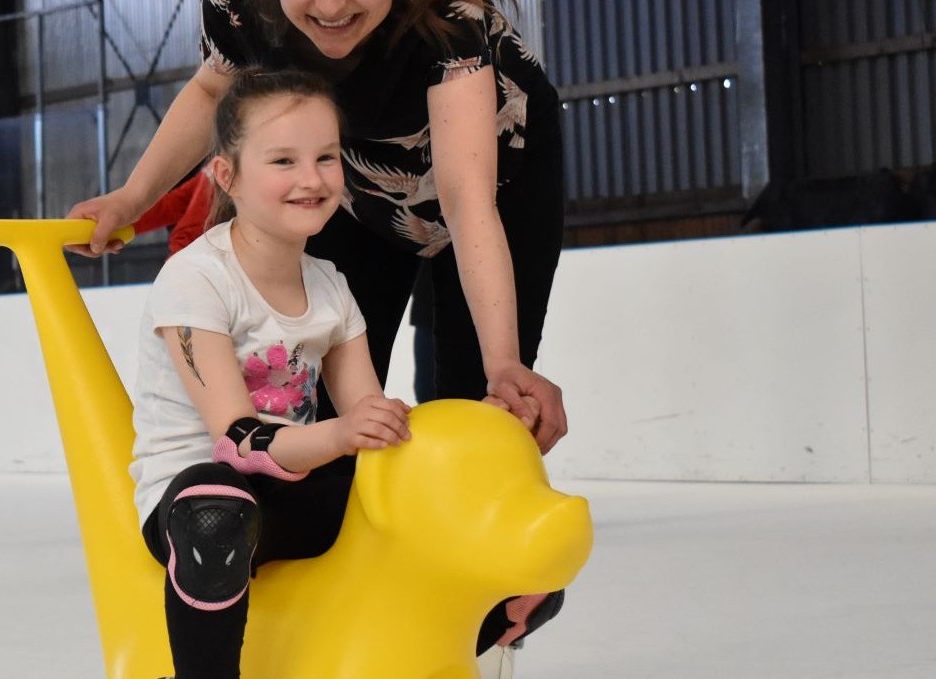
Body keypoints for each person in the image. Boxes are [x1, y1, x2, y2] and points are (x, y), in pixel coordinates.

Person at [133, 70, 541, 679]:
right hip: (195, 497)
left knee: (493, 557)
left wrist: (472, 460)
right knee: (217, 509)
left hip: (291, 489)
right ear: (228, 175)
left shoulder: (329, 285)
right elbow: (239, 439)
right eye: (283, 160)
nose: (311, 178)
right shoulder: (197, 279)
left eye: (326, 157)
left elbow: (369, 423)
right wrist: (343, 434)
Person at [67, 0, 567, 453]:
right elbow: (211, 86)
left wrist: (503, 363)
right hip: (359, 184)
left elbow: (466, 201)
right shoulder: (238, 6)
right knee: (323, 409)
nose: (331, 8)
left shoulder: (449, 15)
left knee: (481, 399)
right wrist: (132, 197)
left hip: (500, 181)